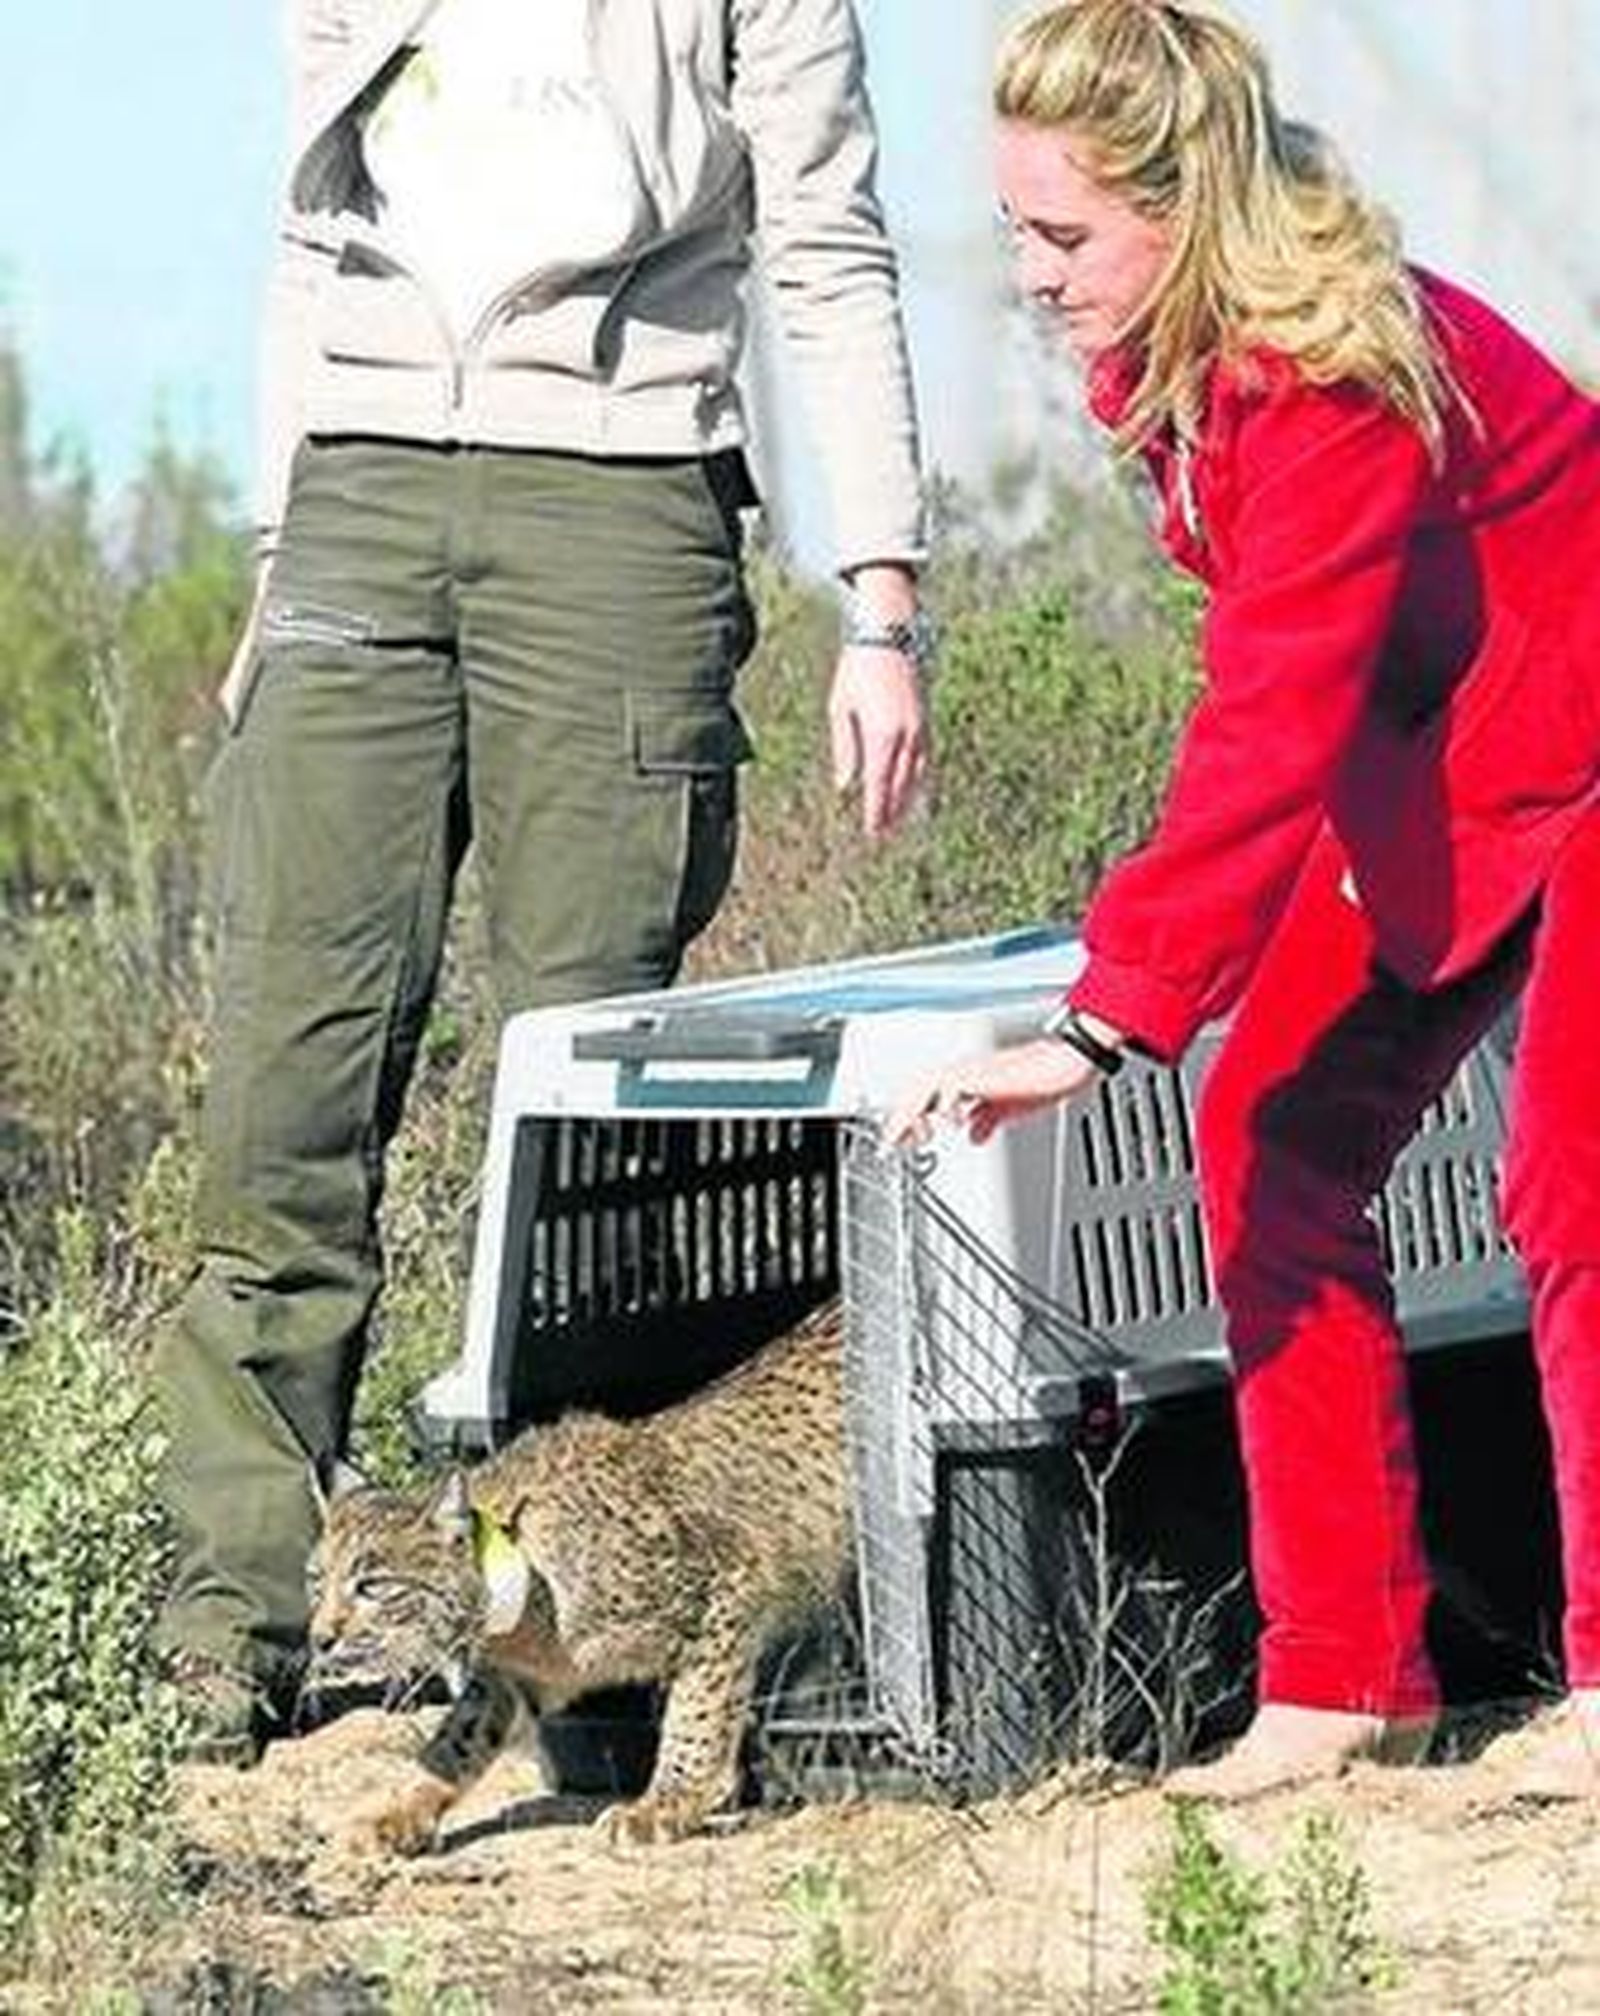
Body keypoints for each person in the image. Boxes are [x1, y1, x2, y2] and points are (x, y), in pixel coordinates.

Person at [156, 0, 931, 1765]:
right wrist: (285, 550)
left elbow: (826, 232)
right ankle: (235, 1634)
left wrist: (880, 598)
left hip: (626, 494)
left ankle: (602, 1663)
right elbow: (307, 218)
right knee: (283, 1101)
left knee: (588, 1123)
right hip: (358, 485)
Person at [887, 0, 1600, 1799]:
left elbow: (1272, 708)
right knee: (1268, 1134)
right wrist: (1168, 999)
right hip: (1459, 760)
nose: (1033, 279)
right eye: (1018, 233)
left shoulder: (1328, 379)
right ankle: (1349, 1677)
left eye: (1065, 236)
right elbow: (1314, 697)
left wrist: (1107, 1013)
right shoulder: (1181, 380)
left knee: (1575, 1176)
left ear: (1185, 204)